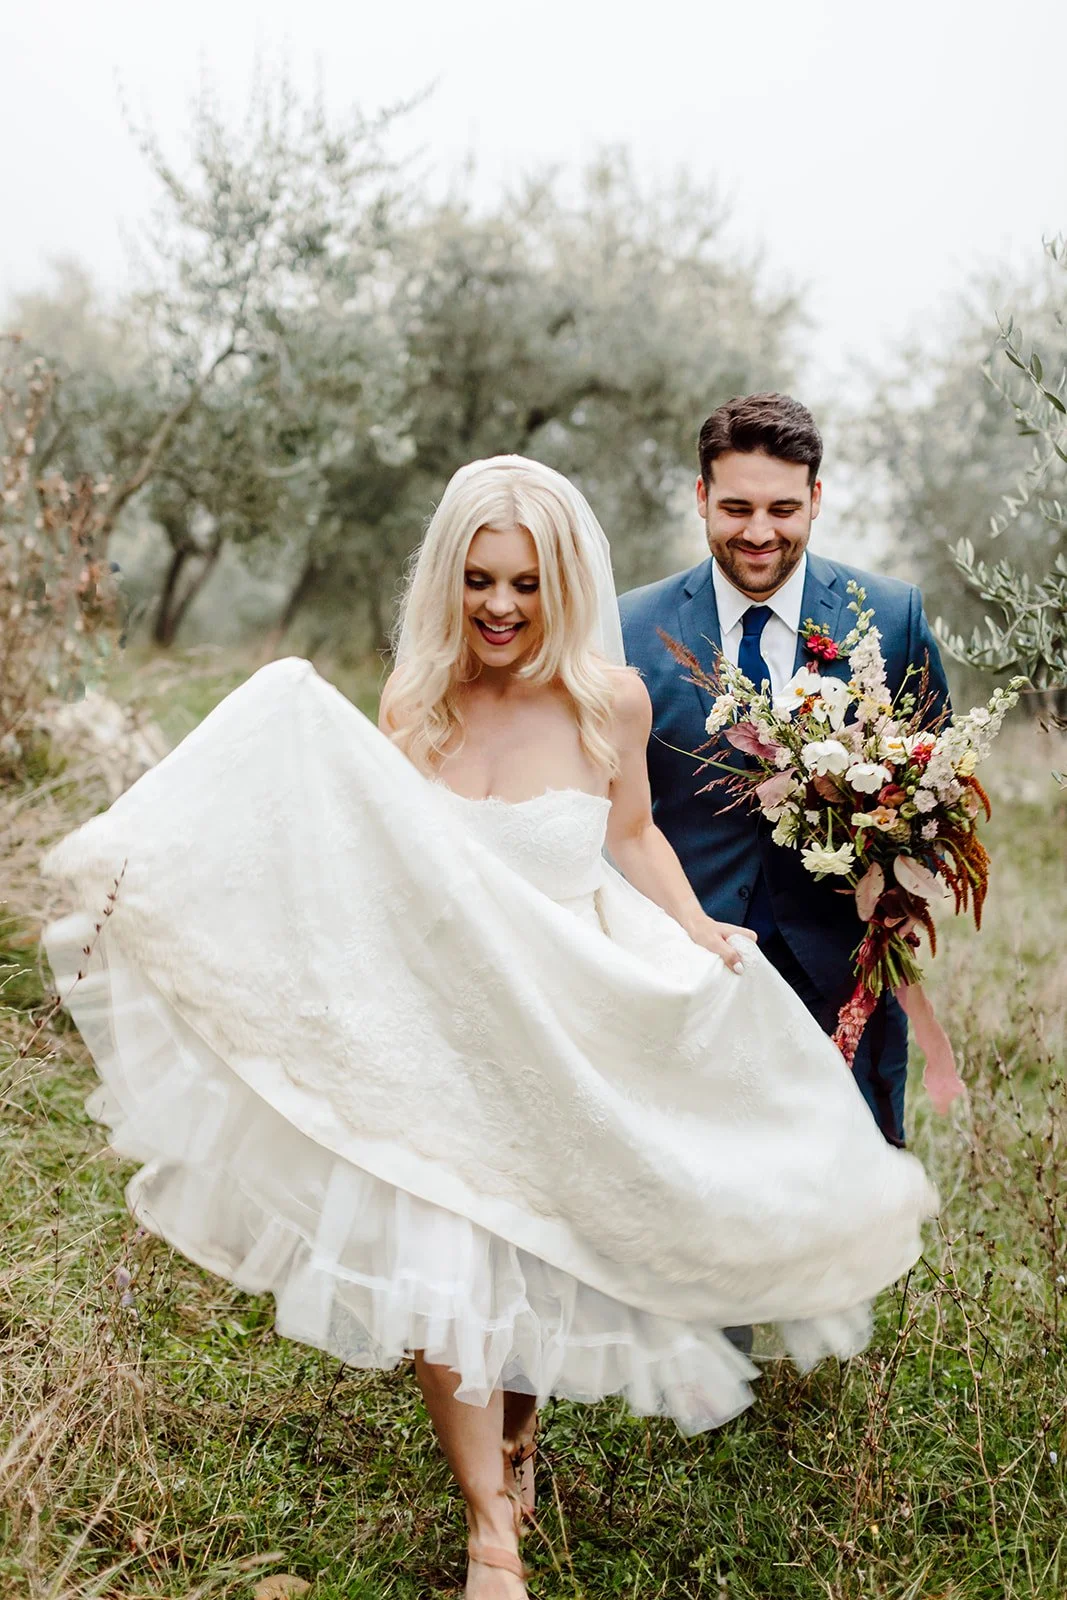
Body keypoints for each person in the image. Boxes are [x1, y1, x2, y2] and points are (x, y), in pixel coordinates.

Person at [43, 456, 936, 1599]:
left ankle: (515, 1437)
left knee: (544, 1243)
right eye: (477, 580)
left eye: (522, 582)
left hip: (561, 1002)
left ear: (559, 583)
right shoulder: (415, 702)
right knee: (444, 1254)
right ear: (448, 581)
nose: (500, 607)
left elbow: (632, 835)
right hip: (442, 1013)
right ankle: (487, 1533)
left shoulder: (609, 700)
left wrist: (696, 926)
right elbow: (370, 853)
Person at [620, 395, 951, 1151]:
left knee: (844, 1218)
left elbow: (938, 787)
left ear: (816, 500)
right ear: (700, 497)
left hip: (841, 981)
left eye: (782, 508)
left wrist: (898, 894)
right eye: (734, 507)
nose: (759, 533)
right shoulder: (629, 631)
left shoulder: (889, 616)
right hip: (683, 979)